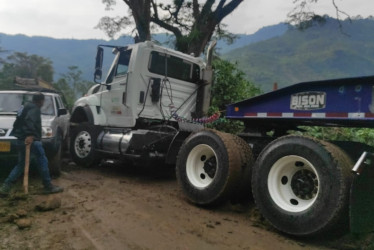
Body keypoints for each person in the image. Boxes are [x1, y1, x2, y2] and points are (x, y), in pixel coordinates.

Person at [0, 92, 63, 196]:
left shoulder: (23, 108)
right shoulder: (34, 109)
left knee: (21, 164)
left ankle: (6, 187)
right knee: (42, 160)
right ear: (41, 101)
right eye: (43, 102)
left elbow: (17, 123)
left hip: (20, 140)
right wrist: (30, 135)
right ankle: (48, 186)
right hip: (31, 140)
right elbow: (29, 121)